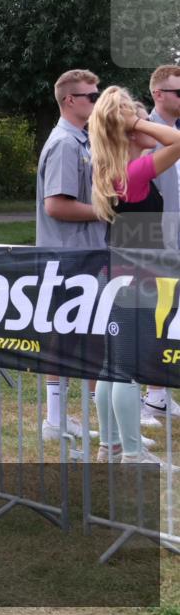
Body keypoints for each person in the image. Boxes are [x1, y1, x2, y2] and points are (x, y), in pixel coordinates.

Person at [89, 88, 180, 466]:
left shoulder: (108, 167)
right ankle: (130, 452)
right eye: (134, 118)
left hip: (118, 272)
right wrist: (142, 125)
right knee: (127, 368)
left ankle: (109, 445)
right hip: (135, 276)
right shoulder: (133, 172)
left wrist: (134, 132)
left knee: (112, 366)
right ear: (125, 127)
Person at [35, 69, 106, 443]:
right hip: (68, 257)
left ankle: (100, 421)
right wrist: (105, 210)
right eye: (91, 97)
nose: (97, 101)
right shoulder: (65, 143)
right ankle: (55, 420)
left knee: (92, 337)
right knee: (63, 337)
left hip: (85, 254)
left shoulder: (82, 139)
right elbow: (56, 206)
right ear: (69, 101)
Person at [140, 65, 180, 422]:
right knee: (152, 314)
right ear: (159, 94)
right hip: (151, 238)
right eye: (178, 92)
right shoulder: (143, 132)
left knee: (173, 315)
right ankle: (148, 393)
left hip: (175, 237)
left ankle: (161, 393)